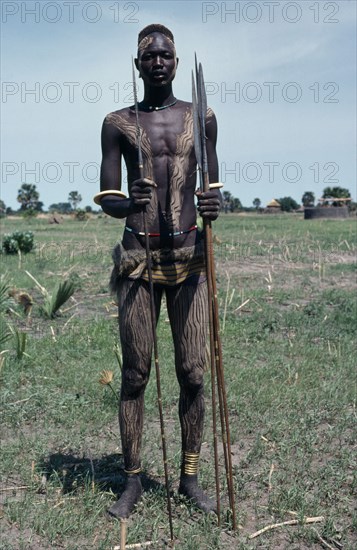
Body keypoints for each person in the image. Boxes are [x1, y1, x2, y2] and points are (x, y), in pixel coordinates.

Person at [97, 23, 221, 519]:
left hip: (190, 258)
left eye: (166, 55)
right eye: (149, 56)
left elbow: (213, 182)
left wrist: (215, 204)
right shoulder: (117, 123)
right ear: (138, 64)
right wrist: (130, 202)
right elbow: (107, 195)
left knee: (193, 372)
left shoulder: (202, 117)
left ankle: (189, 477)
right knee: (135, 373)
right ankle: (131, 480)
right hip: (137, 259)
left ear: (175, 60)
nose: (159, 62)